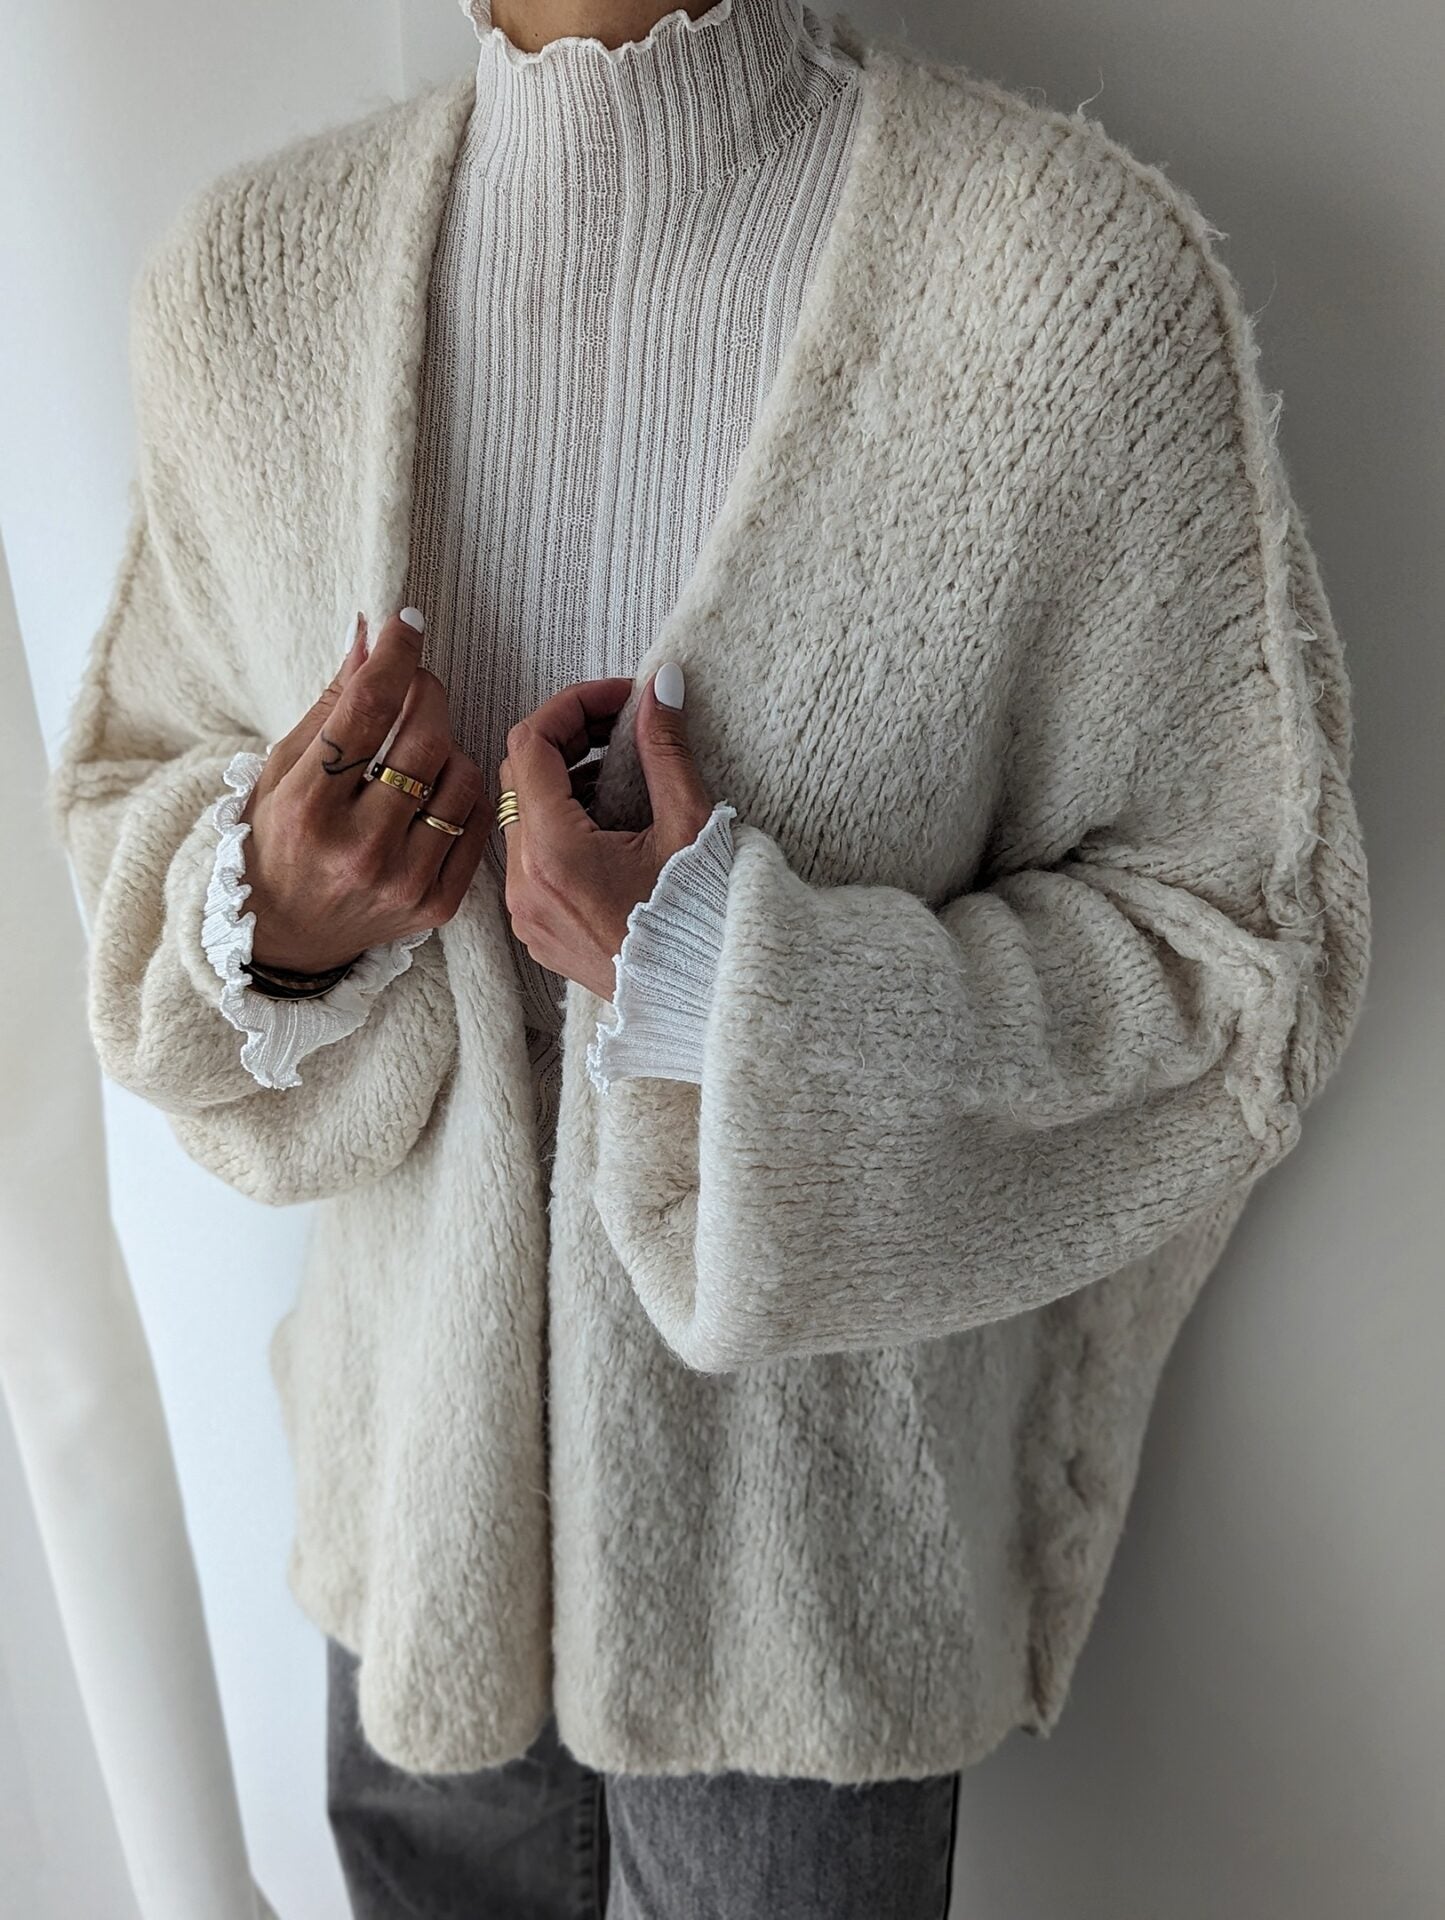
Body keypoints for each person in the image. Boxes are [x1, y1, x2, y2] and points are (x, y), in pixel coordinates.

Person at [45, 0, 1372, 1912]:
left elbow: (1240, 957)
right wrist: (263, 908)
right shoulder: (252, 288)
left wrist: (720, 980)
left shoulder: (1060, 287)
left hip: (806, 1616)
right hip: (407, 1557)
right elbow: (125, 804)